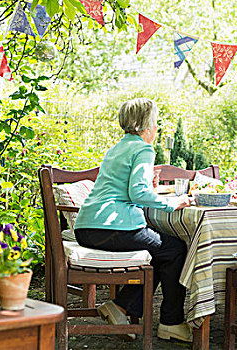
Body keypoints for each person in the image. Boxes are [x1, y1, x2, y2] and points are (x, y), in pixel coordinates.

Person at [74, 98, 192, 343]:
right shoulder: (143, 149)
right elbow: (136, 193)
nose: (156, 128)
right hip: (110, 227)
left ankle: (122, 307)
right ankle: (170, 322)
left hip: (87, 227)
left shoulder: (117, 148)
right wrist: (172, 203)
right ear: (147, 124)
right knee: (175, 249)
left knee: (163, 251)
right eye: (155, 122)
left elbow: (124, 190)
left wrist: (148, 187)